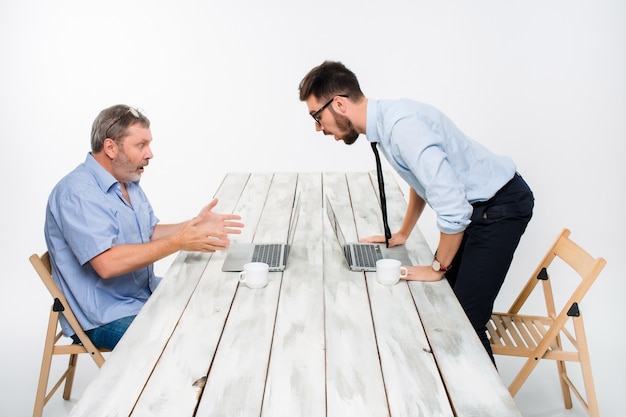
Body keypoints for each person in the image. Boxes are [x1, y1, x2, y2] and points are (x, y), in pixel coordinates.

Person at [298, 61, 534, 362]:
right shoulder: (385, 121)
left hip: (499, 209)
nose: (318, 128)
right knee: (447, 307)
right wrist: (404, 232)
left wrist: (437, 268)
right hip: (481, 206)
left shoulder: (401, 128)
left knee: (466, 322)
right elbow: (422, 179)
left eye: (317, 117)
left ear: (339, 104)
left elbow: (452, 207)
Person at [44, 104, 244, 350]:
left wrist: (193, 224)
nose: (150, 154)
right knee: (191, 341)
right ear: (110, 148)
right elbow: (107, 264)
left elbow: (148, 232)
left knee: (217, 304)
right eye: (141, 145)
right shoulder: (77, 193)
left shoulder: (127, 179)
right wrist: (178, 241)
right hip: (104, 316)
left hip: (142, 295)